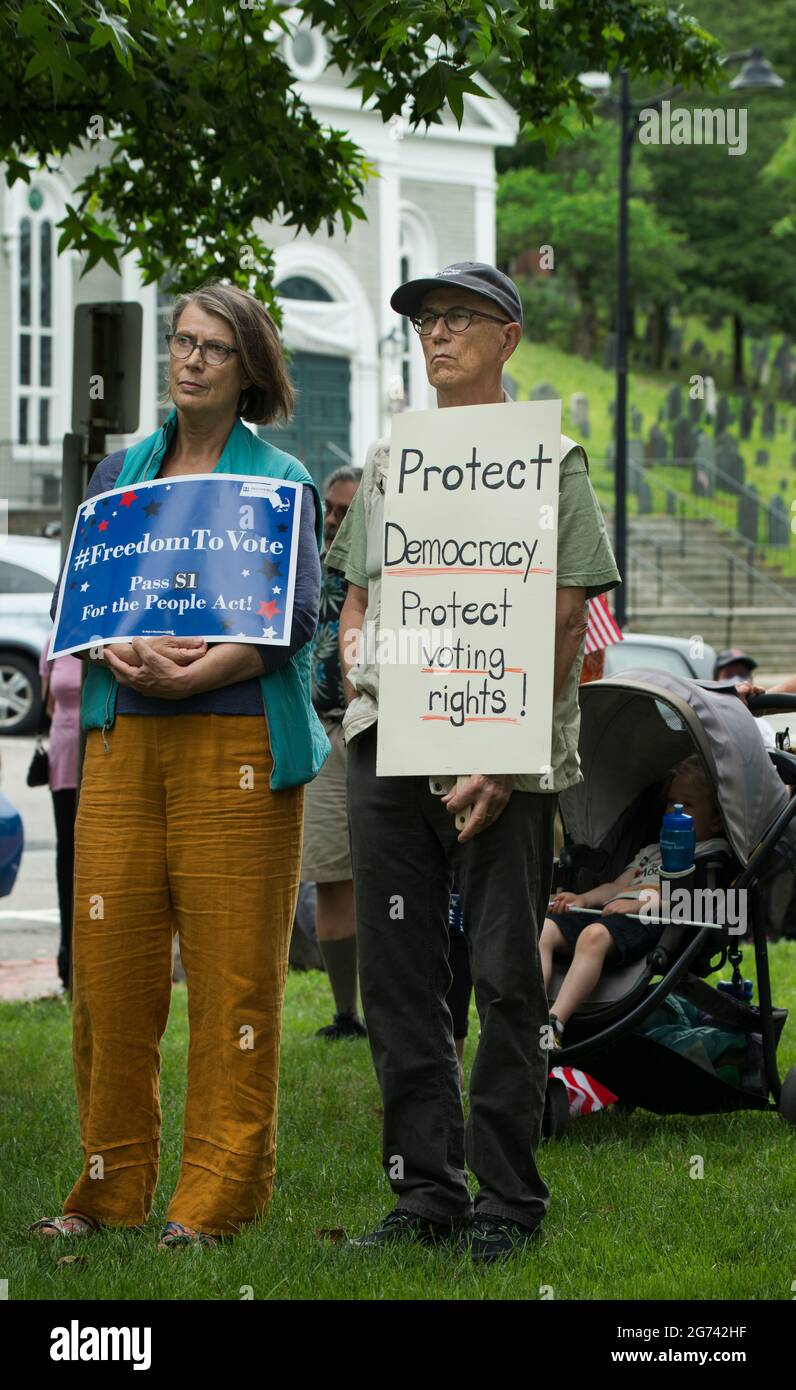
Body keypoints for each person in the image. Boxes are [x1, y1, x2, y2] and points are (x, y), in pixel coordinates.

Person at [326, 261, 621, 1262]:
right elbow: (357, 601)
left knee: (504, 975)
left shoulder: (551, 458)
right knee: (401, 976)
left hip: (513, 754)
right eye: (423, 320)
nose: (435, 333)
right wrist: (361, 666)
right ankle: (423, 1196)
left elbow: (566, 610)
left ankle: (506, 1200)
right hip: (388, 744)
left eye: (458, 318)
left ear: (507, 337)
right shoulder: (391, 460)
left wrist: (498, 752)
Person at [29, 282, 327, 1250]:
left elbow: (293, 624)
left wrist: (197, 671)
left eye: (214, 348)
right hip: (122, 741)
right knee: (110, 978)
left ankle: (214, 1202)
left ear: (249, 371)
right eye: (182, 342)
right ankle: (105, 1191)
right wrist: (125, 654)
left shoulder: (279, 477)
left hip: (237, 741)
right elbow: (86, 606)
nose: (190, 359)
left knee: (235, 982)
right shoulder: (120, 473)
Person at [542, 755, 728, 1044]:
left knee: (593, 936)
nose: (673, 810)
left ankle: (554, 1023)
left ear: (716, 821)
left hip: (652, 920)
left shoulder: (707, 853)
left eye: (687, 805)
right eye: (670, 802)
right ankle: (527, 1013)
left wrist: (639, 904)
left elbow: (691, 903)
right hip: (612, 913)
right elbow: (616, 887)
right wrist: (583, 898)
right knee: (545, 929)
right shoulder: (651, 850)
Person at [299, 464, 367, 1039]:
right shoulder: (304, 566)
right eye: (331, 509)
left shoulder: (384, 567)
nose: (336, 520)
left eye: (349, 510)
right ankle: (346, 1013)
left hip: (376, 730)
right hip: (321, 731)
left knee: (397, 875)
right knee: (330, 873)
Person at [38, 636, 82, 991]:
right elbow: (49, 704)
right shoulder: (55, 641)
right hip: (64, 763)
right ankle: (66, 960)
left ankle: (90, 960)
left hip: (102, 759)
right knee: (66, 859)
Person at [713, 647, 775, 748]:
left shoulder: (761, 726)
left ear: (751, 682)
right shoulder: (705, 719)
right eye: (728, 675)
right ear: (714, 680)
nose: (737, 680)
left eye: (743, 674)